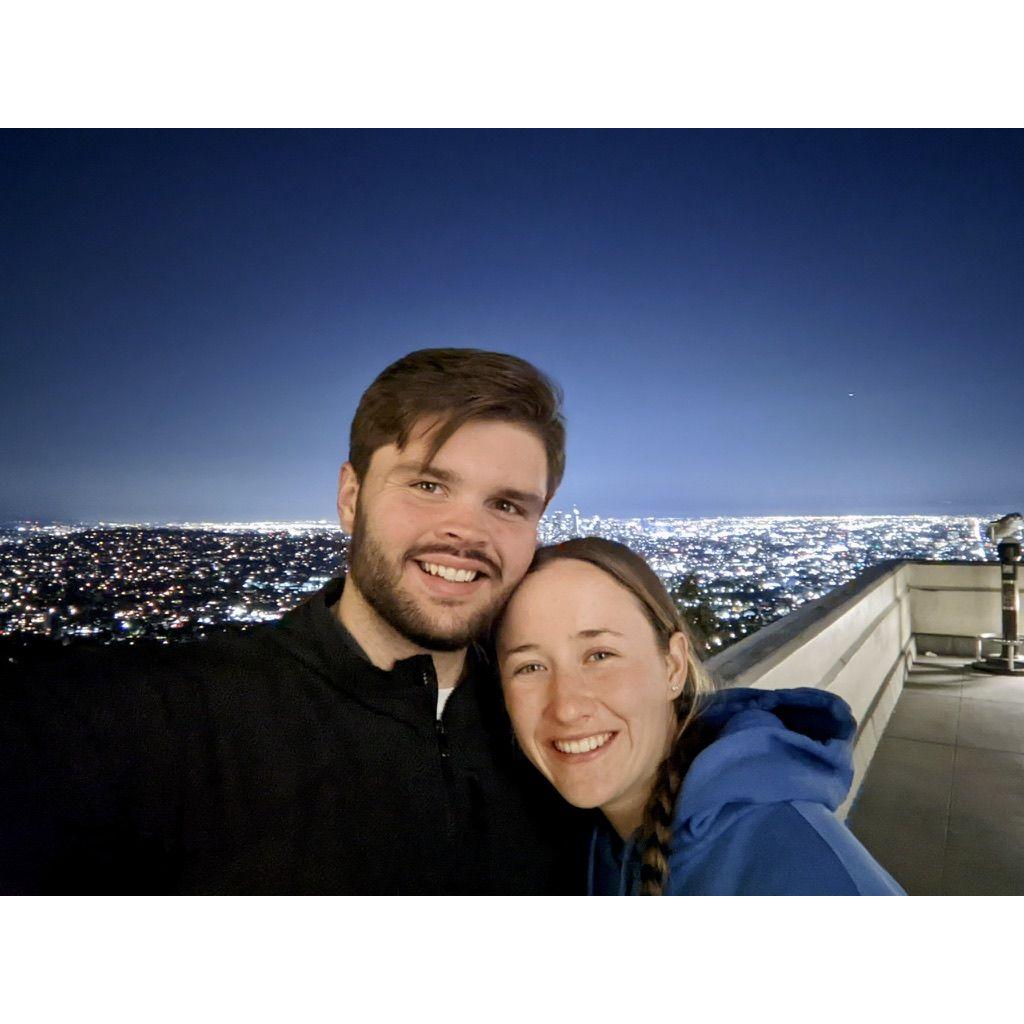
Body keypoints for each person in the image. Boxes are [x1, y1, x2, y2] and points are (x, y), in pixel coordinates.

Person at [1, 348, 588, 894]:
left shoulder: (561, 732)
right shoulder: (156, 723)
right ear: (351, 498)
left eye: (507, 505)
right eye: (428, 485)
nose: (469, 532)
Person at [496, 537, 905, 895]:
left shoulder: (804, 876)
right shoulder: (595, 842)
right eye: (530, 667)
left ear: (673, 667)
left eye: (600, 656)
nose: (566, 707)